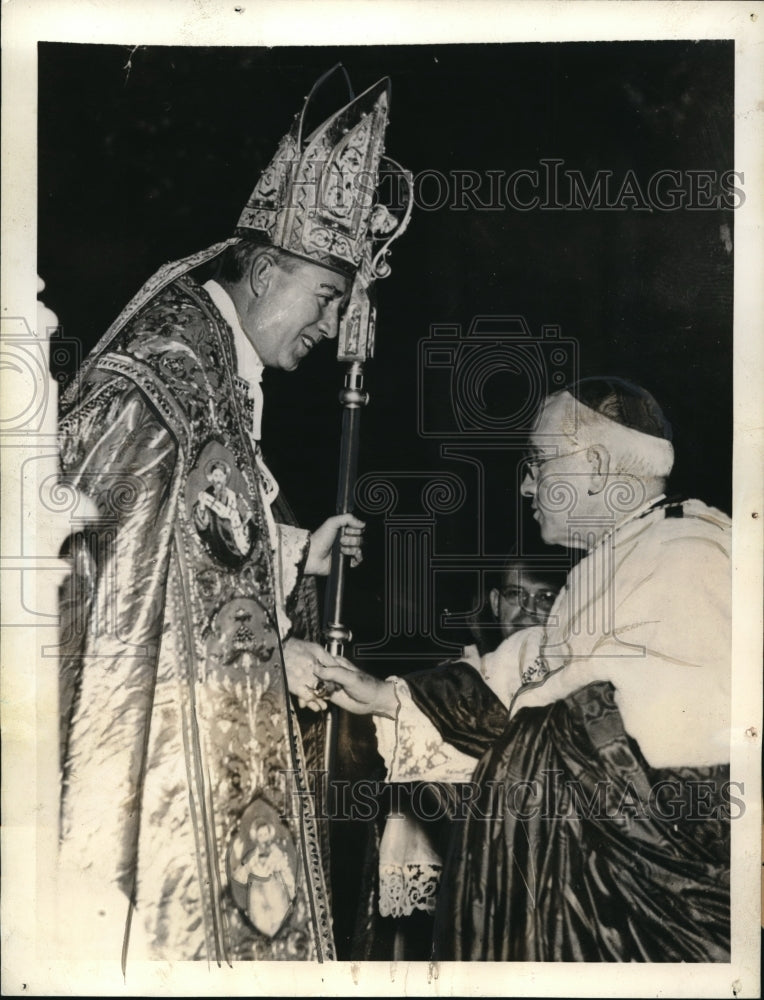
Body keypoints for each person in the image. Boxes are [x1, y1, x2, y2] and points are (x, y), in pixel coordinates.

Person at [55, 69, 405, 963]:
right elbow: (119, 590)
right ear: (261, 269)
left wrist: (294, 557)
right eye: (328, 296)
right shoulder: (169, 376)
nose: (335, 325)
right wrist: (269, 653)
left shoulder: (217, 373)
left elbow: (196, 549)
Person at [316, 376, 731, 962]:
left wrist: (539, 737)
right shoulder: (617, 560)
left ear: (594, 464)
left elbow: (695, 799)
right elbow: (521, 682)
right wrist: (386, 697)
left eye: (537, 461)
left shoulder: (690, 558)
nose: (527, 484)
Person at [375, 559, 566, 960]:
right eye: (516, 594)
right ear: (496, 603)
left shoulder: (569, 676)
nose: (529, 609)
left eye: (545, 597)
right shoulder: (456, 674)